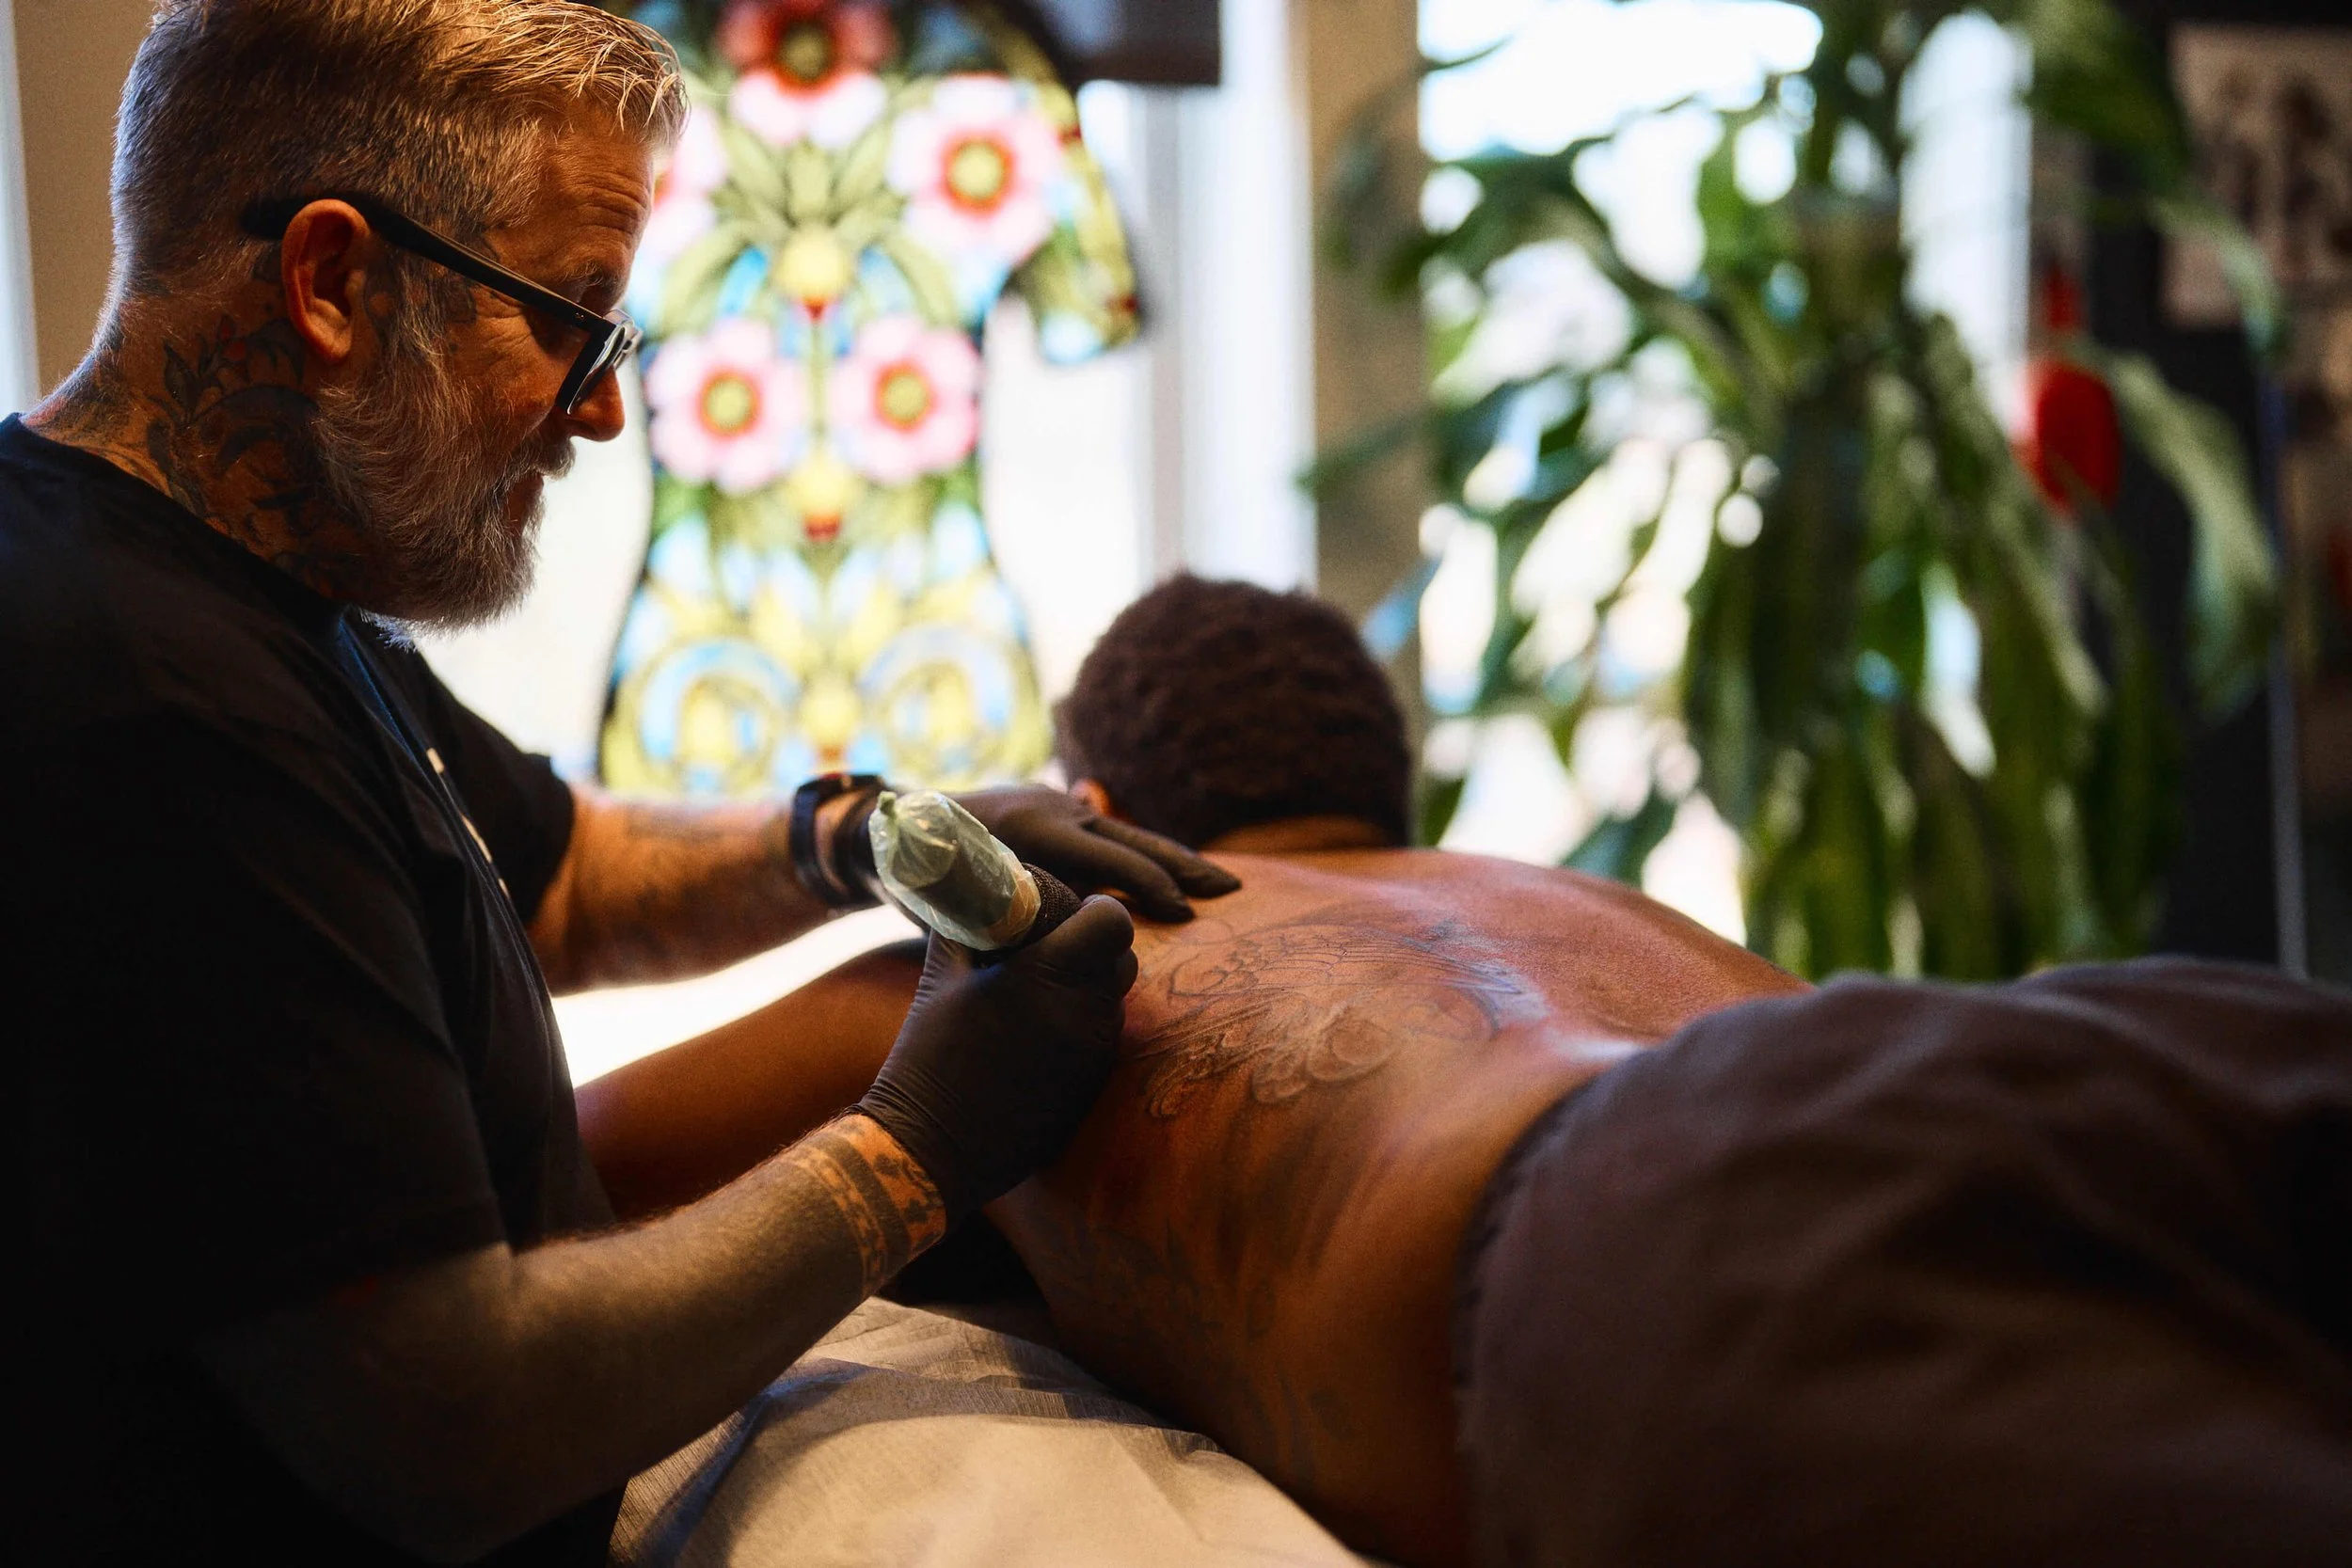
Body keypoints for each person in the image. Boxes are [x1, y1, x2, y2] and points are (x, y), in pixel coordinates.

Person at [3, 7, 1232, 1564]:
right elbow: (456, 1424)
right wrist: (916, 1147)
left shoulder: (247, 580)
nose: (601, 409)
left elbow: (561, 871)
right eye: (572, 316)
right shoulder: (149, 704)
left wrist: (858, 834)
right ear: (333, 283)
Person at [595, 576, 2352, 1568]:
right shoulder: (1567, 899)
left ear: (1091, 813)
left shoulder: (1042, 950)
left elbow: (565, 1178)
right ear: (1396, 810)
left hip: (1646, 1221)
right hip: (2068, 1032)